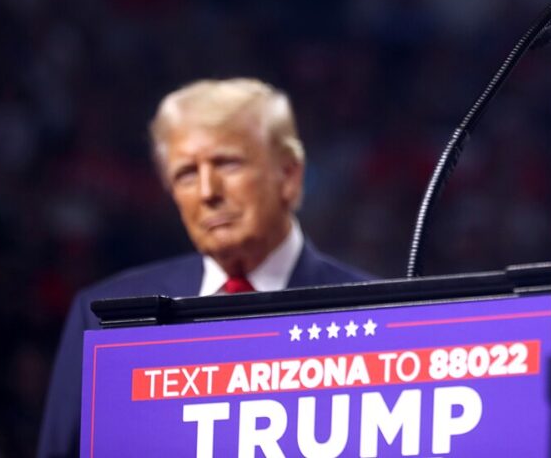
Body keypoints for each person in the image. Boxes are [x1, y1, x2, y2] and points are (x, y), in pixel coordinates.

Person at [37, 78, 369, 458]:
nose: (208, 192)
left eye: (227, 163)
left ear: (289, 176)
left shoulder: (375, 319)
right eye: (186, 174)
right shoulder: (104, 319)